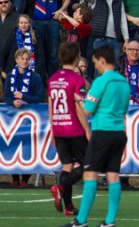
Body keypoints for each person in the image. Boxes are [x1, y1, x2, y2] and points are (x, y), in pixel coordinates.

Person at [62, 44, 130, 227]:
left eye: (95, 62)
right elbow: (124, 109)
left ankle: (81, 220)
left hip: (102, 133)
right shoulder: (124, 82)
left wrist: (77, 100)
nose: (95, 66)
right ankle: (109, 221)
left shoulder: (101, 81)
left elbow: (87, 111)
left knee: (90, 174)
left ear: (102, 60)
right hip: (118, 133)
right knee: (113, 176)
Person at [48, 42, 91, 216]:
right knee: (89, 164)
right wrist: (87, 129)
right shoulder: (76, 79)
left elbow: (51, 105)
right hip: (74, 128)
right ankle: (60, 187)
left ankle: (68, 207)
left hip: (59, 127)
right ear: (75, 58)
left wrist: (52, 129)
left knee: (67, 166)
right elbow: (79, 107)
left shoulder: (52, 79)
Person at [5, 48, 45, 187]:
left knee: (28, 145)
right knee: (12, 145)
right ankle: (15, 177)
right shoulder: (10, 76)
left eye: (27, 59)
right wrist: (12, 102)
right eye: (21, 58)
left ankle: (25, 179)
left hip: (30, 118)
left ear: (30, 60)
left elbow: (40, 97)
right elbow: (6, 96)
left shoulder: (35, 77)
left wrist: (24, 97)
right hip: (12, 118)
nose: (24, 61)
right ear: (16, 60)